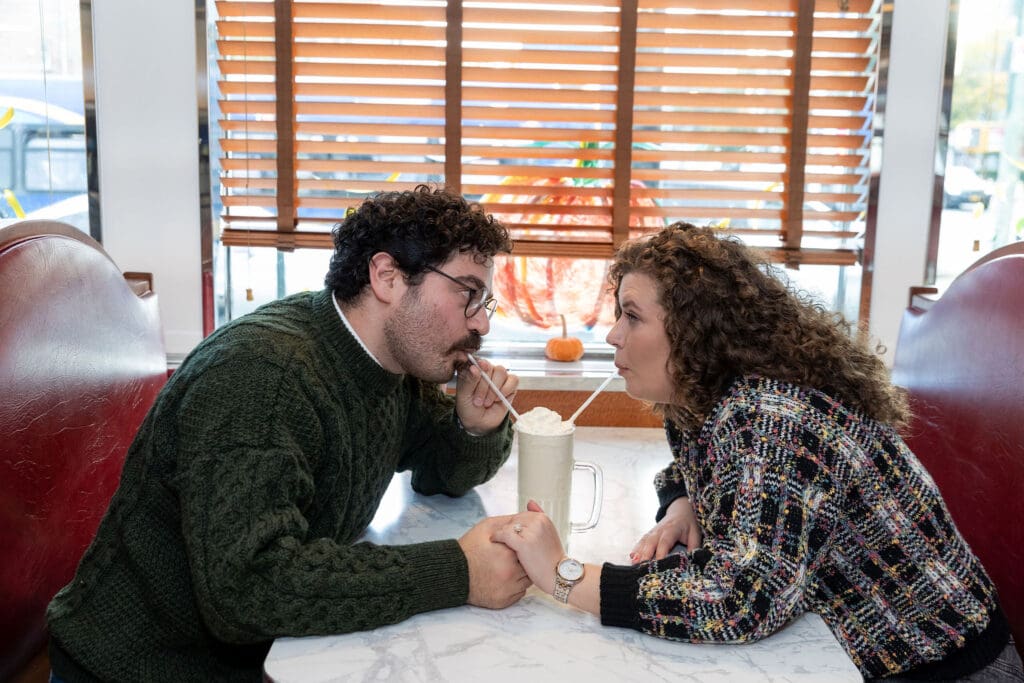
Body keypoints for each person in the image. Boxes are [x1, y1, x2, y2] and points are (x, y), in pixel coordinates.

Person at [494, 223, 1024, 682]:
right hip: (844, 644)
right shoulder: (704, 397)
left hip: (943, 668)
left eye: (632, 316)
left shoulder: (773, 420)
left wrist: (564, 574)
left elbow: (742, 601)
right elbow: (702, 468)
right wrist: (683, 503)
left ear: (693, 332)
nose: (611, 335)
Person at [46, 185, 529, 681]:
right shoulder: (263, 376)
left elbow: (439, 472)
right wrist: (457, 571)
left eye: (484, 302)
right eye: (467, 294)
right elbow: (248, 588)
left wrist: (474, 429)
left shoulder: (389, 364)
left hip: (259, 654)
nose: (480, 325)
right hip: (142, 669)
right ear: (387, 277)